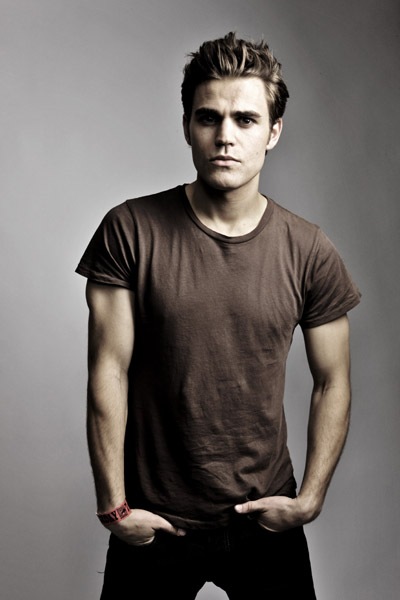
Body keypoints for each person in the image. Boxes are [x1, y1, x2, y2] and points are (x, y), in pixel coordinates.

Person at [76, 31, 361, 599]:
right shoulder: (129, 230)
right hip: (155, 520)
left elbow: (333, 381)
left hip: (264, 519)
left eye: (245, 120)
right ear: (187, 126)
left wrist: (310, 499)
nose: (225, 136)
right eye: (209, 117)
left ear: (273, 132)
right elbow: (108, 369)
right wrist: (114, 506)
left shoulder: (309, 249)